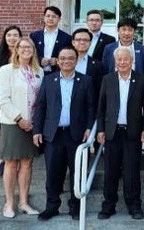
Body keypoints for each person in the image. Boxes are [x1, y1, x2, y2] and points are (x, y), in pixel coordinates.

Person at [32, 46, 94, 221]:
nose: (67, 61)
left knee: (77, 172)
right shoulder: (49, 80)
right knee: (53, 173)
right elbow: (41, 106)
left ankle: (76, 206)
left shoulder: (86, 81)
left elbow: (91, 107)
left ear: (76, 60)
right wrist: (37, 130)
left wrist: (89, 127)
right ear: (58, 61)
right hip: (53, 134)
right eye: (63, 58)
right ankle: (52, 206)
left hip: (77, 135)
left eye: (70, 58)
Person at [96, 46, 144, 220]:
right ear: (115, 61)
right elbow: (101, 107)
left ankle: (134, 205)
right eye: (119, 59)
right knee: (110, 171)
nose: (122, 62)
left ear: (132, 60)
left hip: (132, 132)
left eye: (126, 59)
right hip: (112, 132)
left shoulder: (141, 79)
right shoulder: (107, 79)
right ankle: (108, 205)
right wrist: (101, 129)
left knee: (132, 171)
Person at [0, 36, 42, 218]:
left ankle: (23, 202)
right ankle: (9, 203)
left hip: (32, 125)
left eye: (29, 47)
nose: (25, 50)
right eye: (22, 47)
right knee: (11, 162)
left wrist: (34, 122)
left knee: (27, 163)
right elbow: (2, 99)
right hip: (12, 123)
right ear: (16, 50)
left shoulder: (39, 71)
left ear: (33, 50)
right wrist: (19, 119)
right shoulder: (7, 70)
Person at [0, 25, 22, 177]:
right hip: (2, 96)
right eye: (9, 35)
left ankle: (16, 156)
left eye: (15, 35)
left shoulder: (24, 53)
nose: (12, 38)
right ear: (5, 37)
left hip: (19, 96)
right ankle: (1, 160)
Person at [71, 27, 108, 111]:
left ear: (90, 43)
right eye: (78, 39)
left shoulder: (98, 66)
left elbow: (100, 92)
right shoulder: (63, 63)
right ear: (73, 42)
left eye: (86, 40)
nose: (82, 42)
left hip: (89, 109)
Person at [30, 6, 72, 75]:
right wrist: (40, 60)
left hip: (58, 73)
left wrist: (58, 61)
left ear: (59, 19)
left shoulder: (67, 38)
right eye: (48, 16)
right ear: (44, 18)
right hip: (37, 72)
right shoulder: (34, 36)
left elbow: (69, 55)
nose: (50, 18)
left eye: (54, 16)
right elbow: (30, 53)